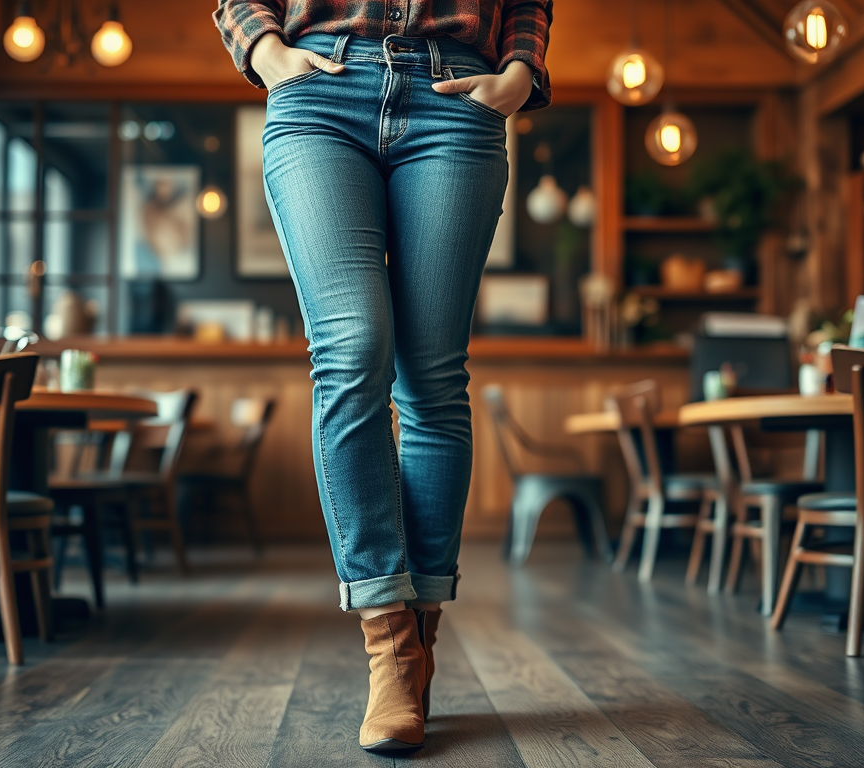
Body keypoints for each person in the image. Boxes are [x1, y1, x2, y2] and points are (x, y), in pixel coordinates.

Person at [215, 0, 553, 752]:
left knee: (432, 381)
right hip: (319, 90)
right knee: (351, 352)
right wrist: (264, 52)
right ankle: (389, 643)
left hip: (455, 94)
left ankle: (420, 635)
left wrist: (520, 74)